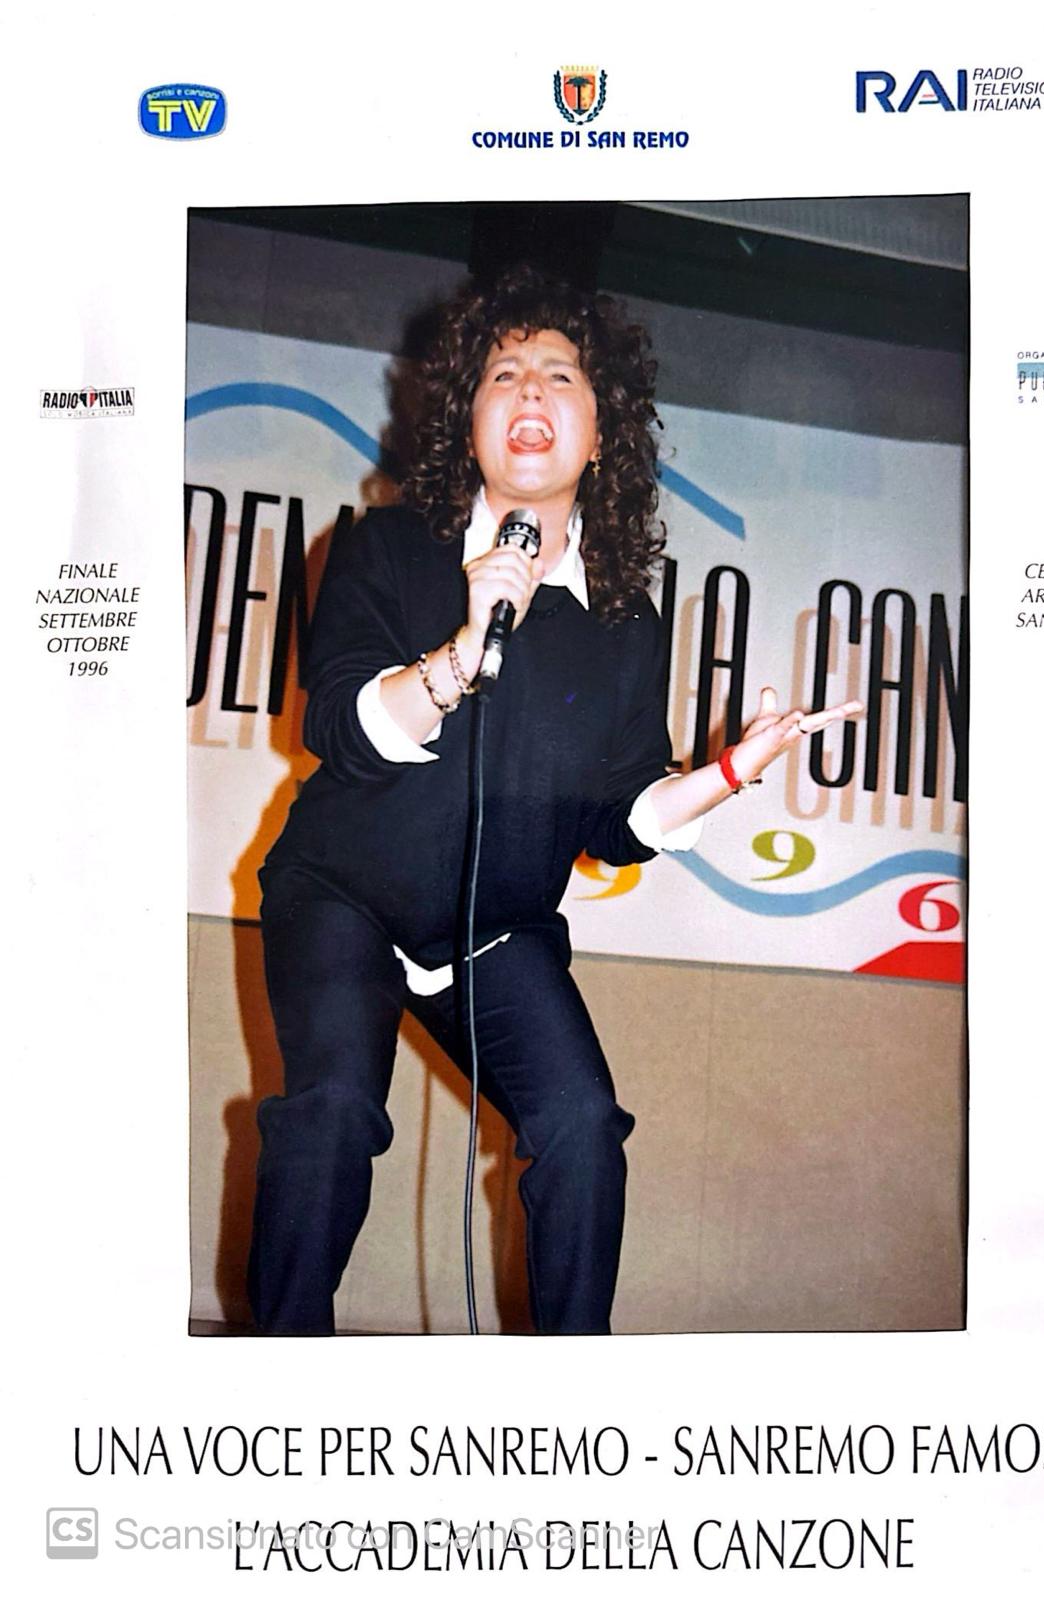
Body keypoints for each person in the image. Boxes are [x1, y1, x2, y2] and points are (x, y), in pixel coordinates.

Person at [246, 265, 860, 1336]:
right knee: (332, 1109)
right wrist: (464, 644)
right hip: (340, 894)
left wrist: (726, 773)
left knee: (581, 1126)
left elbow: (616, 820)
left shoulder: (625, 619)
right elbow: (339, 728)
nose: (529, 387)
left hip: (495, 931)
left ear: (600, 434)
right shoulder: (385, 549)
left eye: (558, 374)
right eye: (503, 373)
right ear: (468, 423)